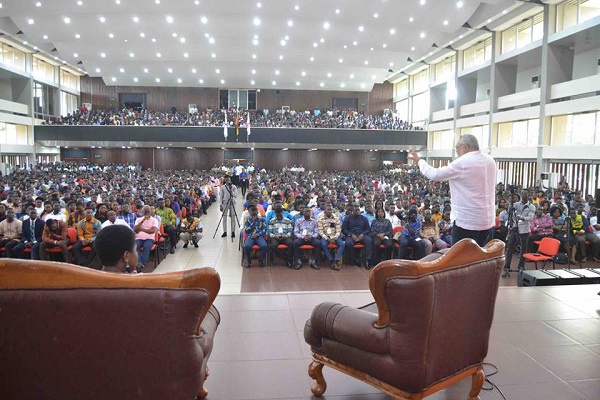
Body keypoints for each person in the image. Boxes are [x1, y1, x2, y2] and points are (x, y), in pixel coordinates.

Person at [410, 134, 496, 246]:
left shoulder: (463, 162)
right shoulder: (490, 160)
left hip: (467, 222)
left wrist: (419, 161)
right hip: (487, 221)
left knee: (460, 260)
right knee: (478, 258)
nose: (456, 151)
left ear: (466, 147)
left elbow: (435, 174)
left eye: (457, 147)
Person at [503, 191, 535, 273]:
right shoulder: (516, 204)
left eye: (526, 194)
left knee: (523, 248)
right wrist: (510, 205)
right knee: (510, 247)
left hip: (524, 229)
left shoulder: (531, 206)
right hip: (515, 227)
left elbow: (530, 217)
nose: (524, 196)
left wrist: (522, 218)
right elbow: (510, 212)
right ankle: (507, 266)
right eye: (523, 194)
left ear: (528, 196)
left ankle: (521, 266)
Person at [342, 204, 373, 269]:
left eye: (358, 210)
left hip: (361, 235)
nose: (357, 211)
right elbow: (344, 229)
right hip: (351, 235)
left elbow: (368, 229)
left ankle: (368, 260)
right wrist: (351, 234)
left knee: (369, 241)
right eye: (356, 210)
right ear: (352, 211)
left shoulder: (364, 218)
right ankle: (355, 259)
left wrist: (363, 234)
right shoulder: (347, 218)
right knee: (348, 243)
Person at [318, 204, 345, 270]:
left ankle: (335, 261)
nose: (330, 211)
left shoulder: (336, 218)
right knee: (323, 245)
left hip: (335, 236)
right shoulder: (320, 218)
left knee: (342, 244)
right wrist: (327, 238)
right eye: (328, 210)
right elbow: (320, 231)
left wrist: (334, 238)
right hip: (325, 236)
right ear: (325, 210)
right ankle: (331, 260)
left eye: (331, 210)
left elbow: (338, 230)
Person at [133, 205, 159, 271]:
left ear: (151, 212)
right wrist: (143, 220)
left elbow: (152, 231)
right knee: (135, 247)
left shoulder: (154, 220)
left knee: (146, 246)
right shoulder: (138, 219)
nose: (147, 213)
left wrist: (141, 229)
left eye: (148, 211)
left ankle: (142, 263)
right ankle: (140, 263)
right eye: (145, 211)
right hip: (138, 238)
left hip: (149, 238)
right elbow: (135, 230)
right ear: (142, 212)